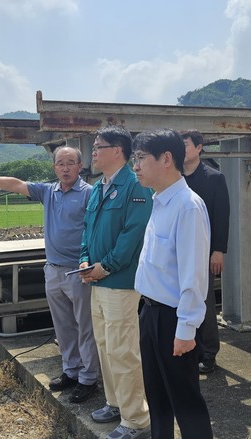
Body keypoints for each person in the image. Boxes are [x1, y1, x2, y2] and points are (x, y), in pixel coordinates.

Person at [0, 146, 99, 404]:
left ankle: (89, 378)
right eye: (60, 163)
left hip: (78, 271)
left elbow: (97, 230)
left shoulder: (89, 193)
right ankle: (71, 370)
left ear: (80, 167)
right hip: (52, 270)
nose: (65, 168)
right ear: (54, 167)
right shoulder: (48, 192)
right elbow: (16, 184)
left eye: (70, 163)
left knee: (85, 326)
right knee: (62, 325)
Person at [132, 128, 213, 438]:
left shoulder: (187, 206)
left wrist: (186, 329)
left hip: (172, 317)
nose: (135, 166)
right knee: (157, 396)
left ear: (166, 158)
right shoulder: (160, 201)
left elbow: (194, 275)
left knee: (186, 401)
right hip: (150, 312)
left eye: (141, 158)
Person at [78, 125, 152, 439]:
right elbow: (88, 229)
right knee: (106, 347)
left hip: (120, 282)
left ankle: (136, 419)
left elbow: (132, 235)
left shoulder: (135, 186)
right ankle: (115, 403)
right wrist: (85, 259)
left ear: (117, 151)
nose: (93, 153)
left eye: (98, 147)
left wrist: (105, 266)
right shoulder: (99, 187)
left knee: (123, 350)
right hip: (97, 280)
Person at [180, 129, 230, 374]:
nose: (182, 149)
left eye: (186, 144)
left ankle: (209, 352)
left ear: (199, 147)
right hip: (178, 250)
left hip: (203, 250)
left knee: (204, 302)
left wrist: (218, 251)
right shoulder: (174, 177)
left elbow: (221, 216)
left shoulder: (214, 177)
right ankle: (187, 347)